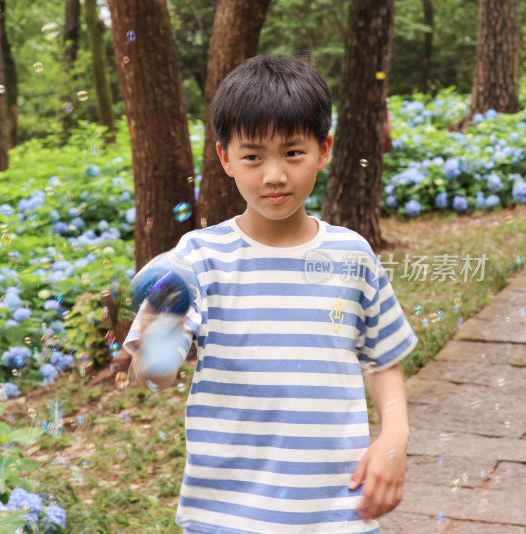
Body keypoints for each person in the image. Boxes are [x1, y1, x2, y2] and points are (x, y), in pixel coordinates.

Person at [123, 55, 417, 534]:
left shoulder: (352, 254)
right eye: (253, 156)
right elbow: (154, 378)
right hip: (226, 515)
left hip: (336, 514)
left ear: (324, 150)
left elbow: (383, 359)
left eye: (293, 153)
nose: (274, 175)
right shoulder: (197, 258)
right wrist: (160, 332)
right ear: (224, 158)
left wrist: (395, 437)